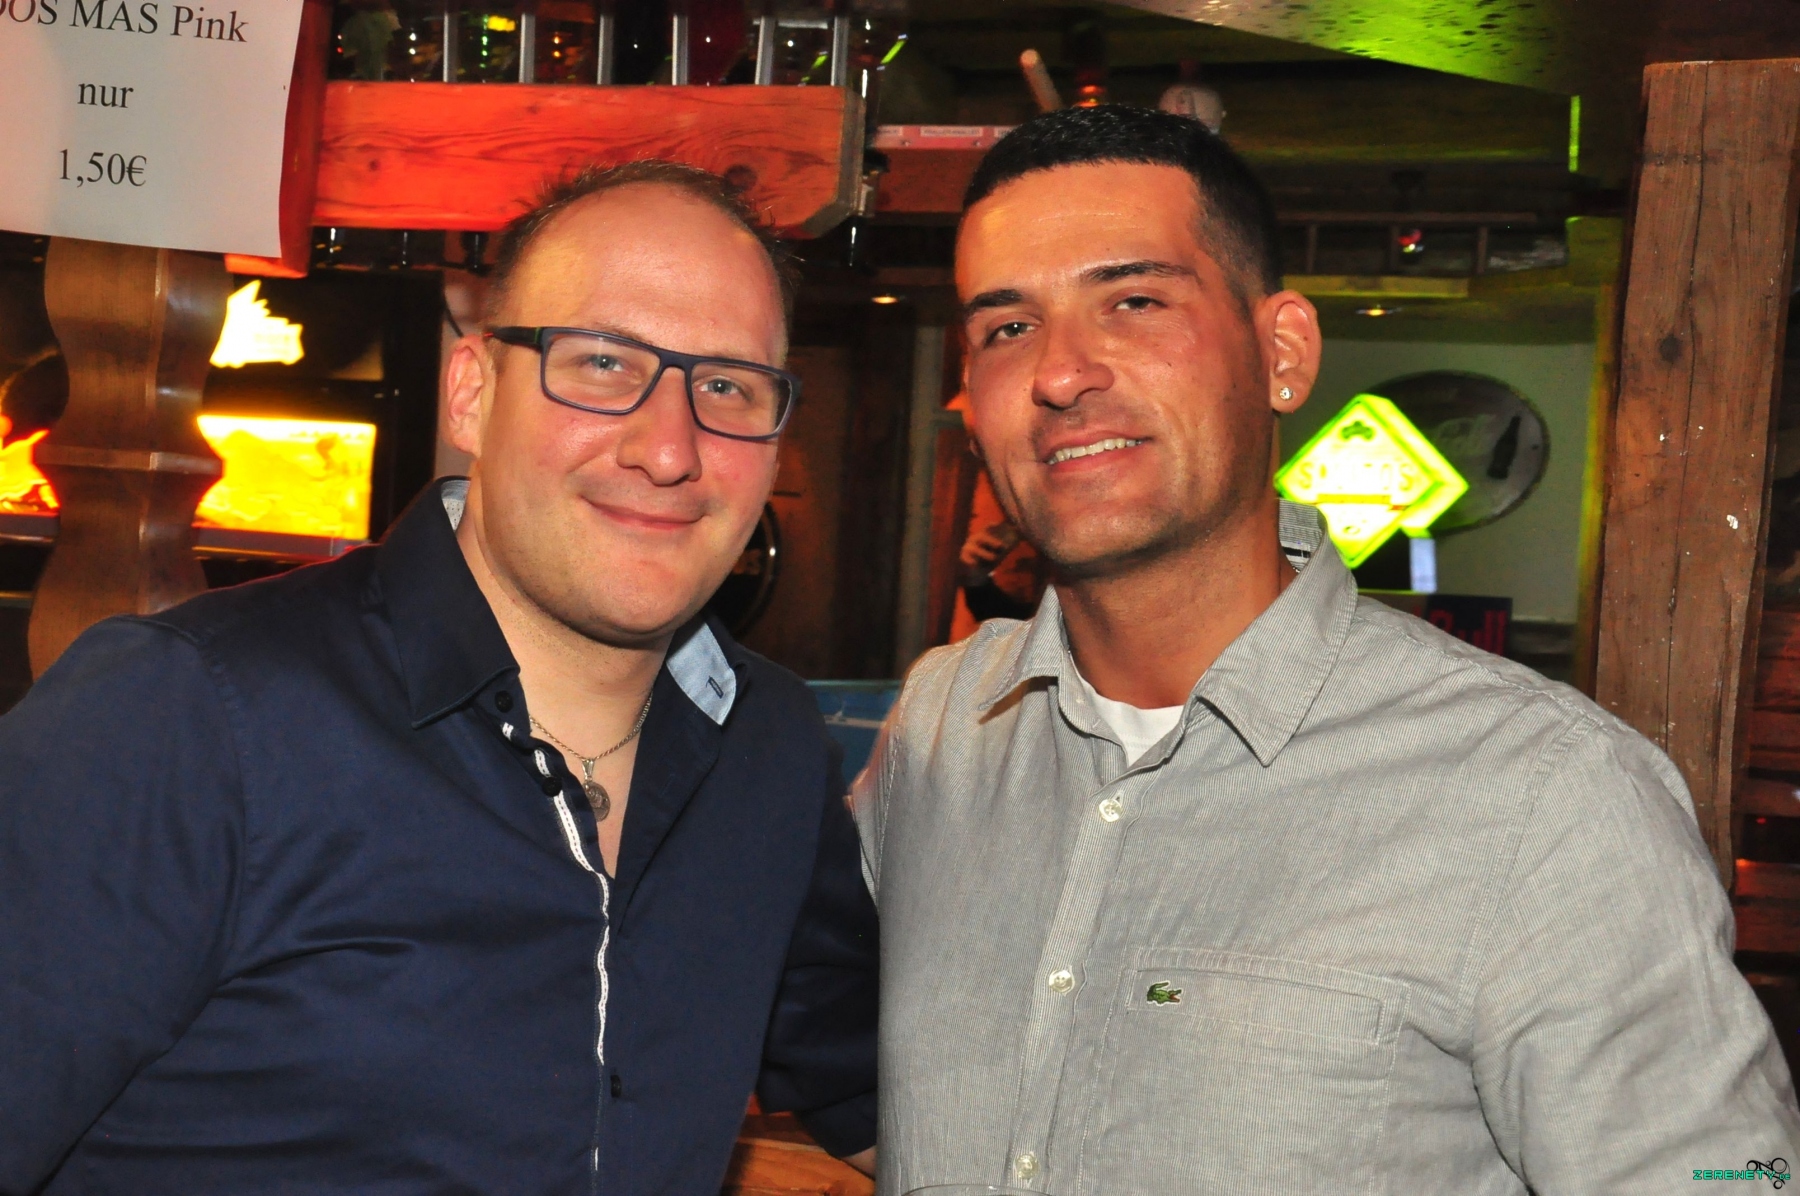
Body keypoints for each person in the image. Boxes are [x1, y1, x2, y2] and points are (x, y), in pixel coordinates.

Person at [853, 105, 1799, 1194]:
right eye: (1008, 327)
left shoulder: (1547, 795)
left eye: (1135, 301)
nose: (1062, 372)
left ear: (1283, 354)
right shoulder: (939, 732)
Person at [0, 161, 877, 1193]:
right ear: (472, 391)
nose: (669, 449)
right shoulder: (182, 718)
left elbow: (870, 1083)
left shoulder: (769, 750)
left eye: (727, 385)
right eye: (602, 363)